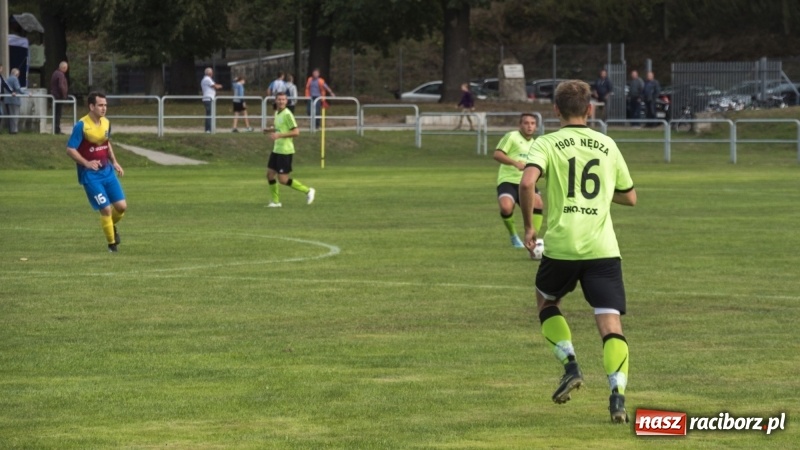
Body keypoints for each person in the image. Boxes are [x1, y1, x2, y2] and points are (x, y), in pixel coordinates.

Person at [519, 79, 637, 424]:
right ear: (589, 109)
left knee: (546, 301)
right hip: (603, 249)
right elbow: (630, 196)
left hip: (563, 246)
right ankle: (617, 397)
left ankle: (570, 364)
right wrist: (601, 197)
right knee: (609, 321)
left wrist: (529, 227)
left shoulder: (546, 142)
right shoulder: (607, 144)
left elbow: (527, 182)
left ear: (555, 110)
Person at [66, 92, 128, 253]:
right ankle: (112, 245)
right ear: (91, 106)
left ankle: (111, 226)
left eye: (105, 105)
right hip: (90, 175)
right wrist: (86, 163)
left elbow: (106, 144)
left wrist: (114, 162)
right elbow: (70, 149)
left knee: (121, 207)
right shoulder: (82, 125)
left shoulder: (106, 123)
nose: (104, 108)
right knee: (106, 209)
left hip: (107, 171)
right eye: (100, 105)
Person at [493, 113, 544, 249]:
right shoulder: (512, 136)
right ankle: (514, 236)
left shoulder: (536, 144)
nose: (529, 126)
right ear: (520, 125)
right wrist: (515, 163)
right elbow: (497, 154)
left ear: (536, 126)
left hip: (527, 182)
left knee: (538, 203)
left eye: (532, 123)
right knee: (506, 207)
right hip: (508, 180)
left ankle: (533, 238)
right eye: (526, 123)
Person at [265, 92, 316, 207]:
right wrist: (269, 130)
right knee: (270, 175)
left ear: (286, 101)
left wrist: (279, 135)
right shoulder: (277, 113)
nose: (281, 101)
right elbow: (279, 128)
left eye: (283, 99)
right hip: (276, 149)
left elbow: (296, 132)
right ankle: (276, 202)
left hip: (285, 151)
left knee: (283, 180)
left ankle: (308, 191)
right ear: (276, 101)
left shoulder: (288, 114)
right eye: (279, 99)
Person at [4, 68, 29, 134]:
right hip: (14, 100)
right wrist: (27, 93)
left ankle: (11, 130)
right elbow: (18, 88)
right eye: (18, 74)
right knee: (14, 116)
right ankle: (14, 131)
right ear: (16, 73)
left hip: (7, 100)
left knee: (10, 116)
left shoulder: (8, 79)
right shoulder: (14, 79)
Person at [201, 67, 222, 133]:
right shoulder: (207, 79)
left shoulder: (208, 79)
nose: (212, 73)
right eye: (211, 72)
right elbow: (214, 86)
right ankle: (208, 129)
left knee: (210, 113)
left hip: (210, 98)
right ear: (209, 73)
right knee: (209, 113)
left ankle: (209, 128)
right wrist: (219, 86)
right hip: (208, 98)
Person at [50, 61, 69, 134]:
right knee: (58, 113)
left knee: (56, 113)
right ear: (64, 68)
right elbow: (61, 86)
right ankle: (57, 129)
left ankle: (56, 129)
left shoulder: (55, 73)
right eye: (66, 68)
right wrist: (64, 95)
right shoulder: (60, 75)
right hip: (58, 96)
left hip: (55, 95)